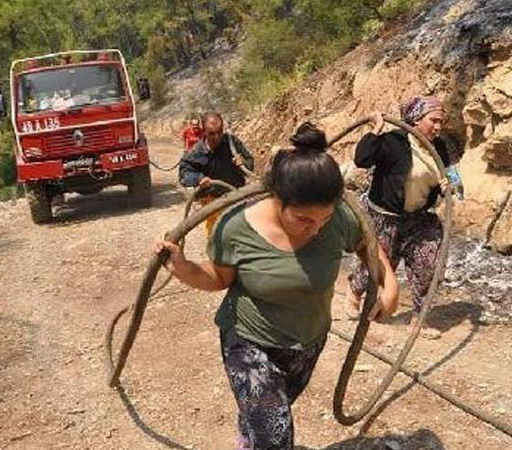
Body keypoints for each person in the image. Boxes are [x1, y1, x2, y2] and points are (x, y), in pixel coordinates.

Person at [155, 122, 399, 449]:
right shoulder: (235, 227)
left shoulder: (339, 217)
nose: (316, 229)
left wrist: (390, 287)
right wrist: (181, 267)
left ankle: (249, 433)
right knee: (275, 435)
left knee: (270, 415)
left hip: (307, 342)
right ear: (277, 199)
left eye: (323, 220)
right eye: (304, 220)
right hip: (248, 341)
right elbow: (219, 278)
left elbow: (368, 246)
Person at [346, 96, 464, 328]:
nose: (438, 127)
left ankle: (419, 318)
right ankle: (354, 293)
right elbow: (362, 159)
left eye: (441, 122)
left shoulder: (440, 147)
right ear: (416, 119)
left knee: (429, 265)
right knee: (379, 266)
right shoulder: (393, 141)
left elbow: (455, 180)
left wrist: (452, 187)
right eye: (433, 121)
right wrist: (377, 130)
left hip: (419, 219)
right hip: (385, 215)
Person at [178, 111, 255, 236]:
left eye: (220, 132)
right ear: (204, 132)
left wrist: (243, 163)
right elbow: (184, 174)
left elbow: (250, 164)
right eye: (212, 133)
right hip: (212, 203)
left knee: (242, 236)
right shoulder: (196, 152)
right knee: (217, 236)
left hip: (236, 196)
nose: (217, 137)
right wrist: (199, 179)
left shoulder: (232, 143)